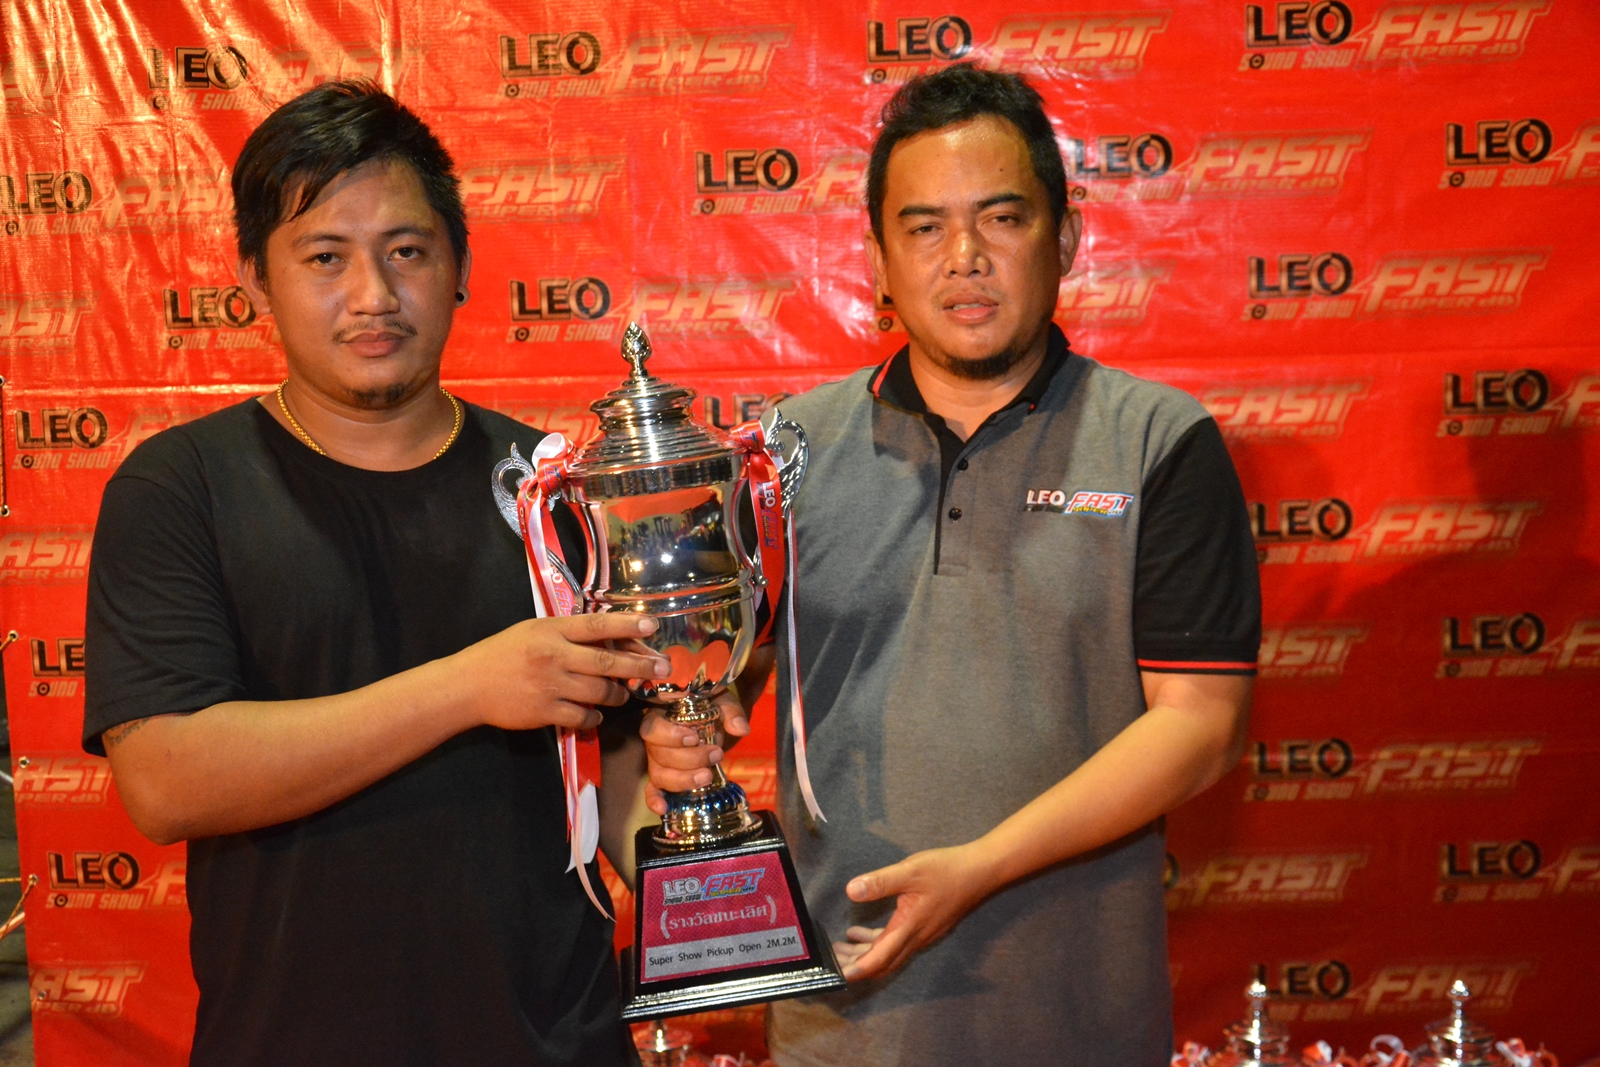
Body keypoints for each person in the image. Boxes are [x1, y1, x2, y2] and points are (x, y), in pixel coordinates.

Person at [643, 65, 1261, 1066]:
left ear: (1065, 238)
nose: (964, 257)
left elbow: (1200, 725)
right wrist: (686, 728)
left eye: (1001, 219)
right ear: (879, 263)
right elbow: (719, 677)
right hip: (841, 1025)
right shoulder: (783, 452)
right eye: (925, 227)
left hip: (1076, 1023)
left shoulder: (1159, 440)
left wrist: (979, 866)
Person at [83, 81, 661, 1067]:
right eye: (325, 257)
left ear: (460, 266)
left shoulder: (550, 485)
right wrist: (469, 686)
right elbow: (166, 778)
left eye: (406, 251)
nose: (373, 296)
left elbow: (606, 774)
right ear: (255, 279)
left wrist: (708, 873)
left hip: (555, 1039)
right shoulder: (182, 487)